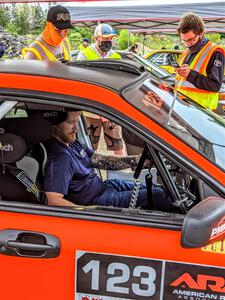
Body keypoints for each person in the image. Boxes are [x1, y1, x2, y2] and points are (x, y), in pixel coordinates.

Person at [44, 111, 172, 211]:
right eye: (71, 123)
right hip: (97, 201)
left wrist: (136, 160)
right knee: (158, 195)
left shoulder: (71, 143)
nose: (76, 127)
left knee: (157, 189)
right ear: (55, 123)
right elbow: (54, 200)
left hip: (106, 186)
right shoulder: (60, 157)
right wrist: (89, 212)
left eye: (77, 122)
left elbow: (100, 160)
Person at [77, 23, 125, 155]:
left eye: (110, 39)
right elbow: (81, 83)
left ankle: (124, 172)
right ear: (96, 38)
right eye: (105, 39)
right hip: (91, 110)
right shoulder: (84, 55)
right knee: (90, 147)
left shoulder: (116, 57)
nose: (108, 42)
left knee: (118, 145)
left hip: (110, 109)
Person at [175, 12, 225, 110]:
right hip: (183, 106)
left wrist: (190, 74)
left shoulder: (215, 52)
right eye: (184, 40)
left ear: (201, 33)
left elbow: (215, 86)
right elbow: (182, 82)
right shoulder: (187, 51)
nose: (188, 44)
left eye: (191, 40)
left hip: (202, 110)